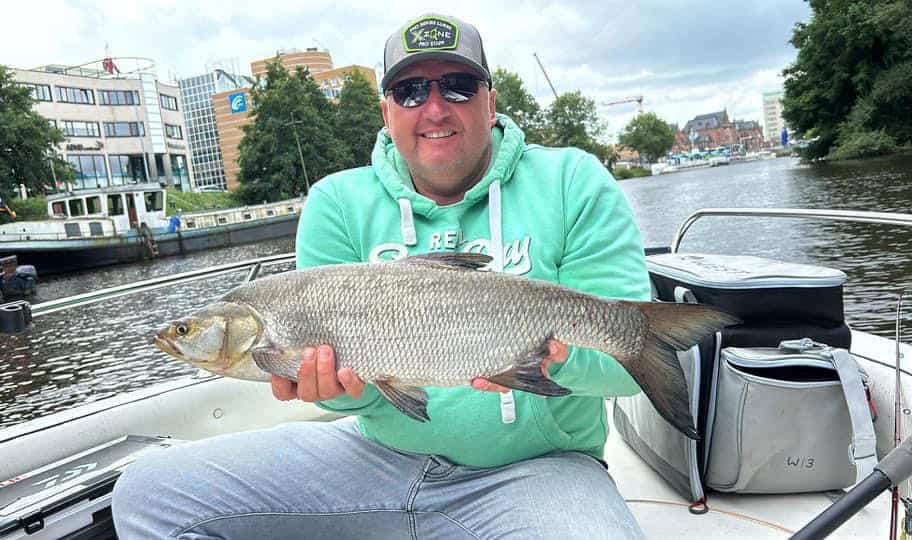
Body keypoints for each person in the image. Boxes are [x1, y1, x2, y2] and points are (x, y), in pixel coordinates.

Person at [112, 13, 649, 539]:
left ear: (491, 101)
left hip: (541, 469)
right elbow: (352, 396)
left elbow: (626, 373)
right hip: (376, 458)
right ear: (386, 111)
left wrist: (546, 357)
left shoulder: (571, 180)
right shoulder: (336, 202)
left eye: (458, 86)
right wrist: (342, 393)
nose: (435, 108)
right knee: (148, 492)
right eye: (411, 91)